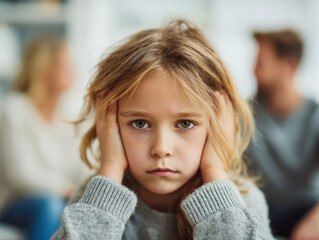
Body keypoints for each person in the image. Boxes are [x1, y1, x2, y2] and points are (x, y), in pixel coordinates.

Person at [51, 19, 274, 240]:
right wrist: (111, 167)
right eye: (140, 123)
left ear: (217, 126)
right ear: (111, 126)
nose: (161, 148)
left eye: (185, 124)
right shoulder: (93, 200)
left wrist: (214, 169)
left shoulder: (243, 202)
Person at [0, 36, 92, 240]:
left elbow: (79, 165)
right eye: (64, 65)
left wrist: (90, 185)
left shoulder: (70, 112)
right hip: (16, 203)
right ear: (45, 69)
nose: (73, 71)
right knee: (50, 205)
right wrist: (67, 189)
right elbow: (20, 175)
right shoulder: (15, 108)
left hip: (59, 199)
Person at [245, 29, 319, 239]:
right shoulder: (245, 113)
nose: (253, 71)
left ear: (288, 65)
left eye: (260, 64)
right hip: (263, 208)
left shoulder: (315, 116)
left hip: (309, 209)